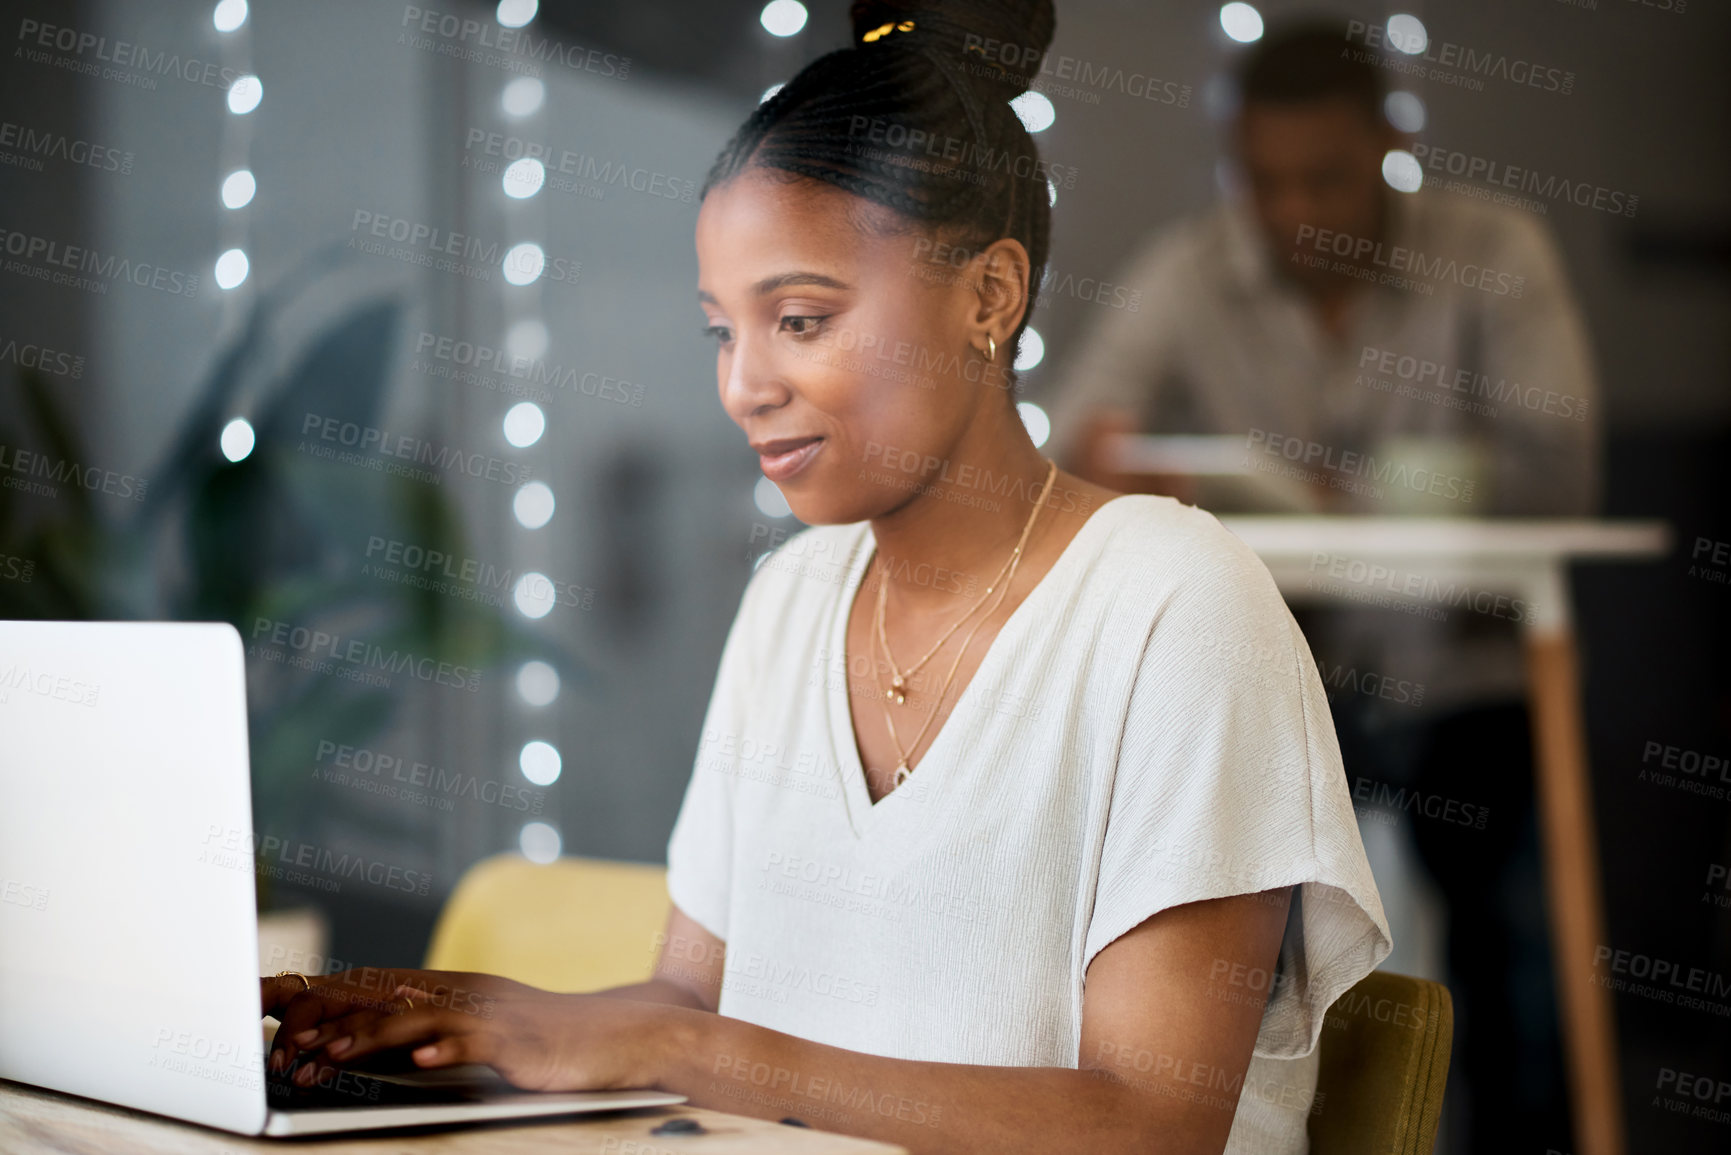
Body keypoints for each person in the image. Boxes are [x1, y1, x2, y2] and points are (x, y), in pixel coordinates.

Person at [259, 4, 1389, 1153]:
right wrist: (486, 1020)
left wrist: (685, 1049)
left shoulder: (1177, 607)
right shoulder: (790, 602)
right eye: (722, 332)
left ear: (989, 298)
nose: (745, 385)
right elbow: (692, 1006)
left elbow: (1149, 1127)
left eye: (800, 318)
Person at [1044, 20, 1600, 1153]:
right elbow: (1075, 440)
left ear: (1391, 145)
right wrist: (1122, 463)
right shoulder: (1190, 268)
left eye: (1324, 178)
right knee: (1238, 949)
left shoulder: (1495, 249)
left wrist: (1360, 493)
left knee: (1523, 952)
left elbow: (1562, 468)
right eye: (1264, 181)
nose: (1294, 212)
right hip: (1290, 686)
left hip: (1467, 670)